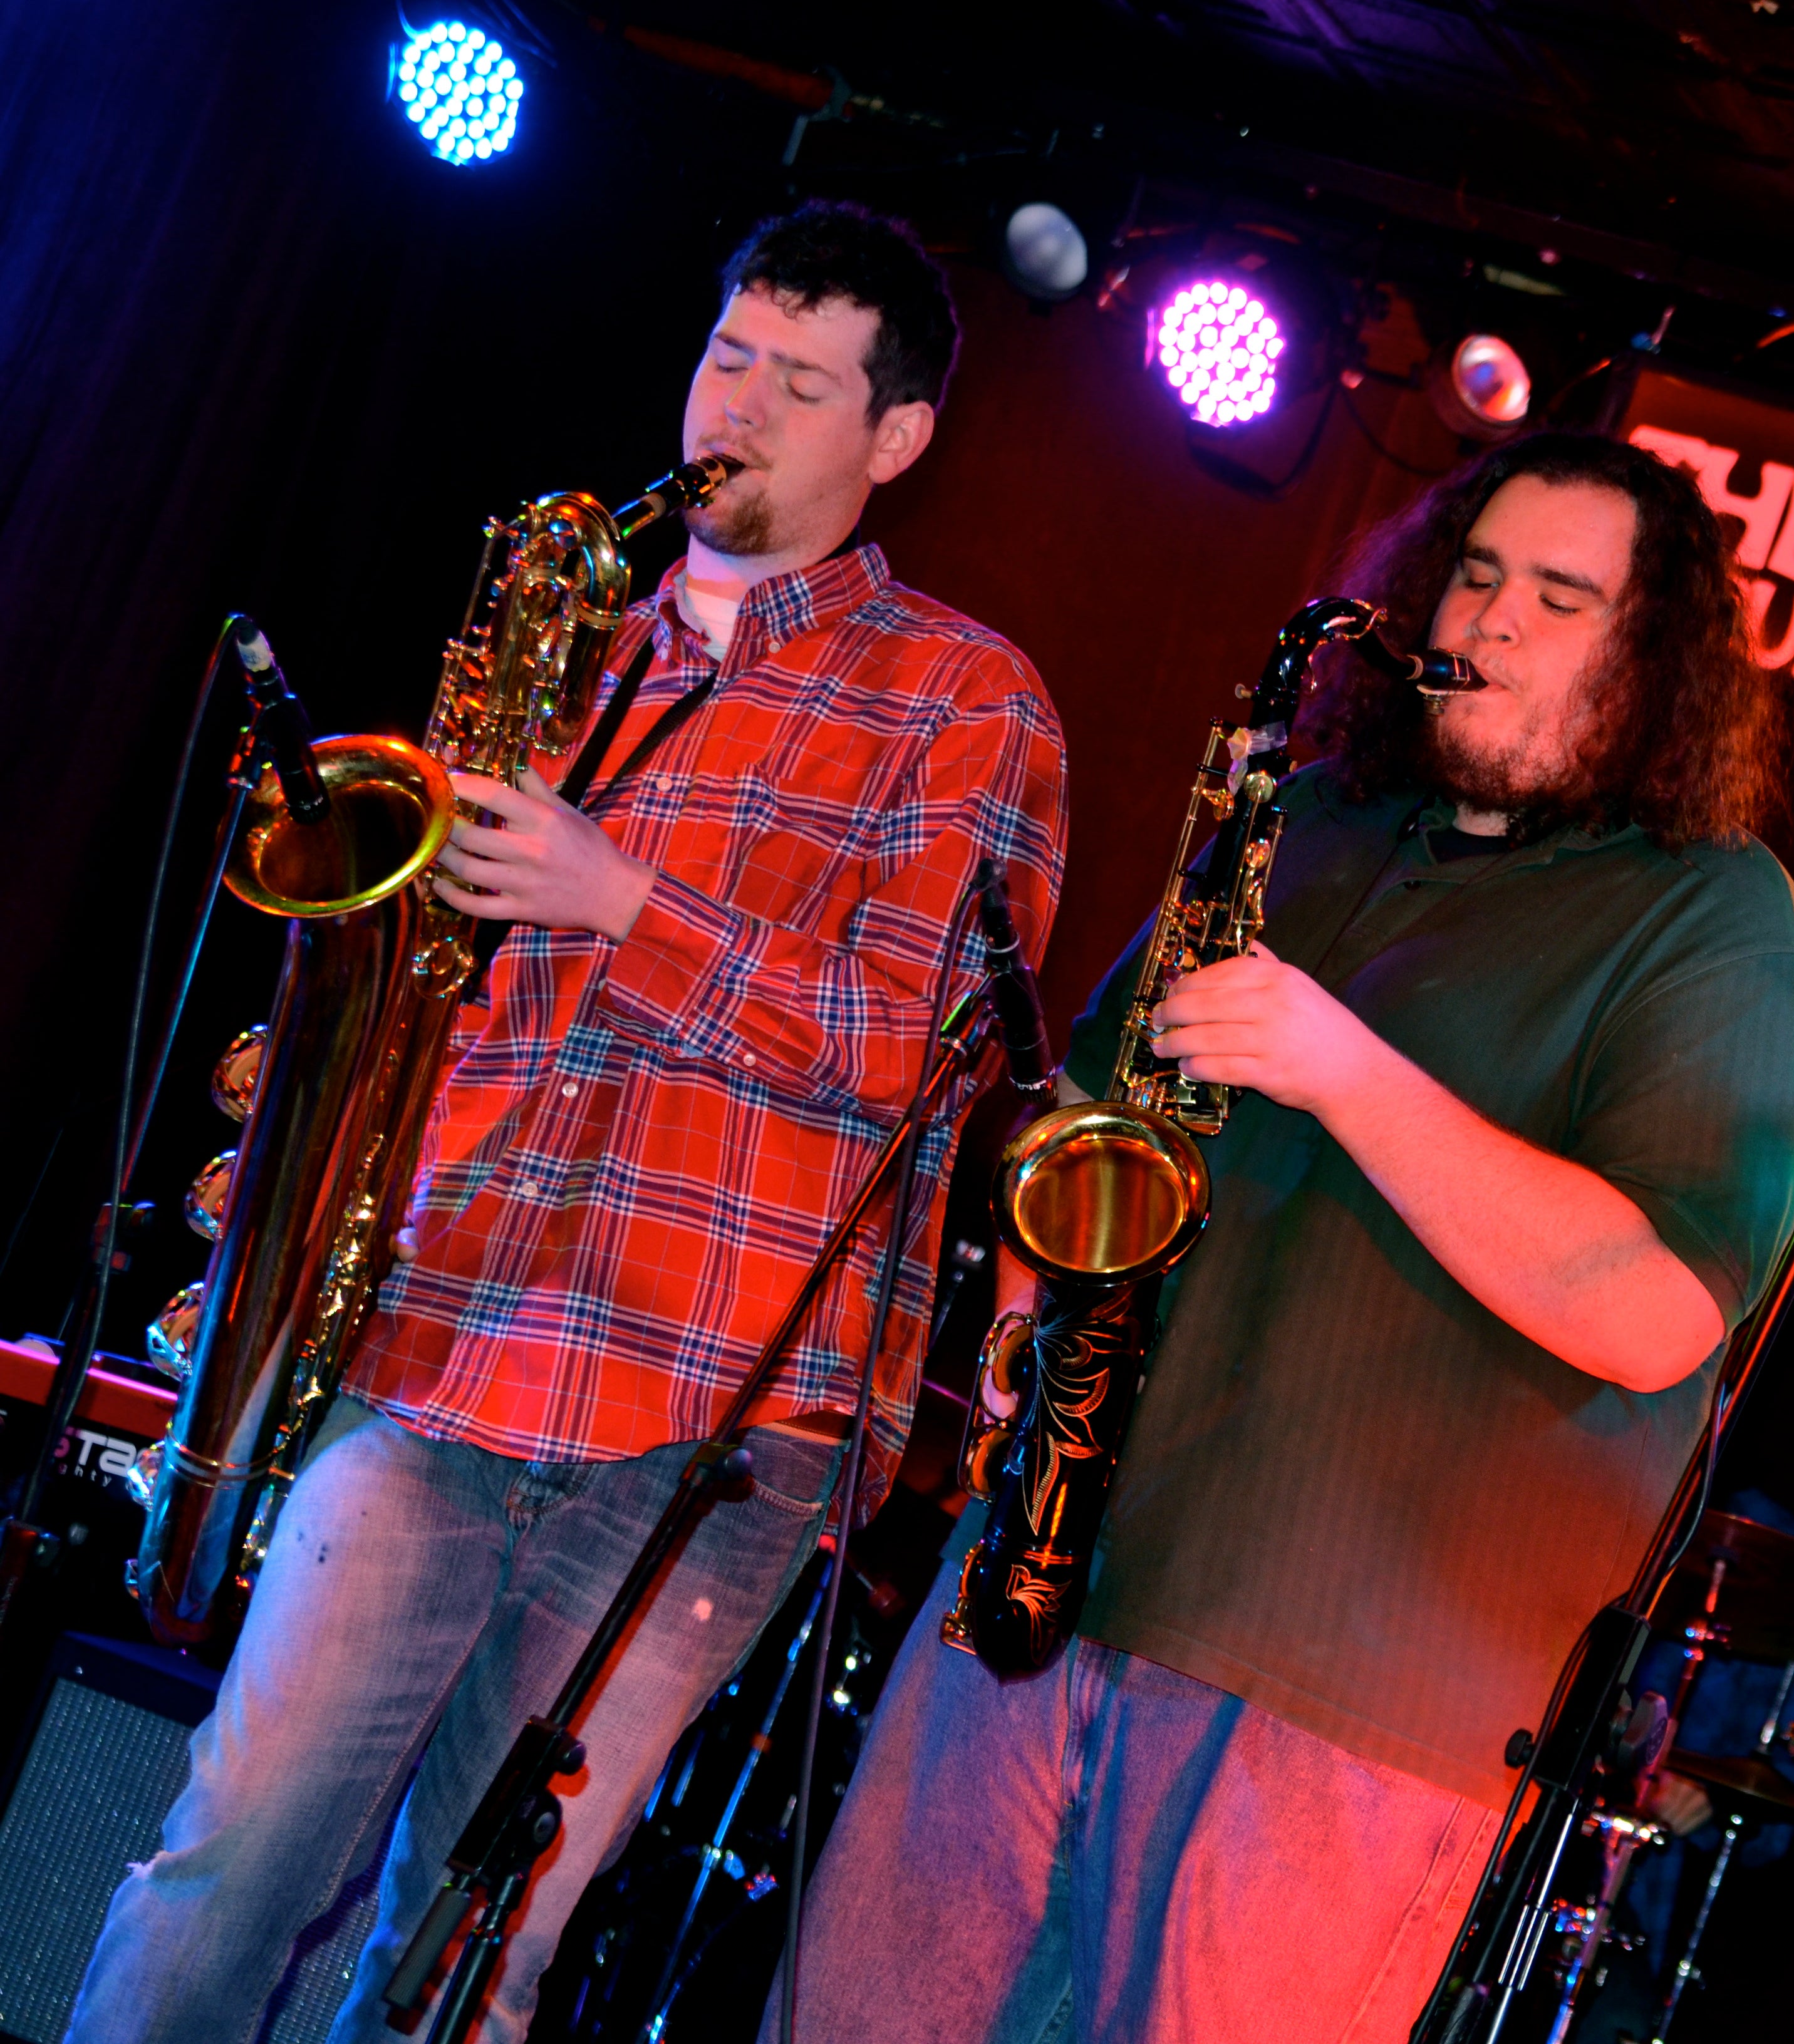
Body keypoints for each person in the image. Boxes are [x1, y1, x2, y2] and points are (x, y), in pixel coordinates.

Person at [68, 201, 1066, 2044]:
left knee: (470, 1964)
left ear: (899, 437)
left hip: (716, 1424)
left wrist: (627, 906)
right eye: (728, 358)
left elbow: (920, 1045)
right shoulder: (577, 652)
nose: (737, 408)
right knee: (221, 1863)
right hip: (439, 1344)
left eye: (802, 384)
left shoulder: (967, 697)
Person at [789, 431, 1794, 2044]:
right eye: (1477, 573)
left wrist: (1340, 1064)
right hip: (1045, 1581)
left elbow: (1655, 1314)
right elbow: (1082, 1129)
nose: (1492, 617)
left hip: (1350, 1690)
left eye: (1561, 599)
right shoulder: (1309, 817)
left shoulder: (1718, 911)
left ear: (1654, 660)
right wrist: (1022, 1326)